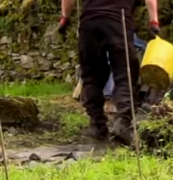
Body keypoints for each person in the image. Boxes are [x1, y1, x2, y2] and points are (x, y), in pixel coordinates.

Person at [59, 0, 160, 145]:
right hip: (119, 23)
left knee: (92, 75)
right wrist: (153, 21)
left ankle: (97, 125)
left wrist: (65, 17)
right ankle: (122, 122)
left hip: (90, 24)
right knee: (125, 73)